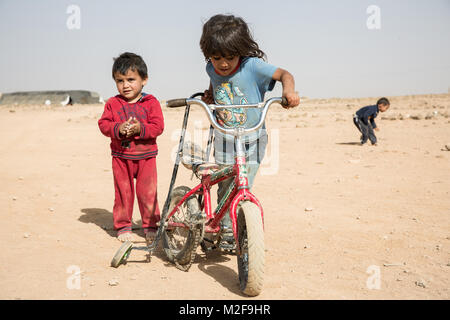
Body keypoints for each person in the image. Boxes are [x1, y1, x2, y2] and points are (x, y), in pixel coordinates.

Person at [199, 14, 300, 248]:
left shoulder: (252, 66)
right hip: (224, 136)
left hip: (253, 138)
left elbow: (286, 75)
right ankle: (224, 229)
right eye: (216, 58)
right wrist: (210, 95)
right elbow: (216, 84)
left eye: (230, 57)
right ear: (209, 55)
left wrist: (289, 92)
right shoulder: (210, 68)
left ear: (241, 51)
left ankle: (237, 225)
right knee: (225, 184)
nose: (223, 64)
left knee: (243, 184)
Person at [98, 52, 164, 243]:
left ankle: (151, 225)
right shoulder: (113, 103)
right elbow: (103, 125)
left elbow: (158, 127)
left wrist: (139, 129)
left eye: (131, 79)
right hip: (121, 157)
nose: (125, 85)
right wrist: (118, 128)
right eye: (120, 80)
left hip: (146, 157)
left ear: (144, 80)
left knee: (148, 193)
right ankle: (123, 226)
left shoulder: (151, 103)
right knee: (123, 192)